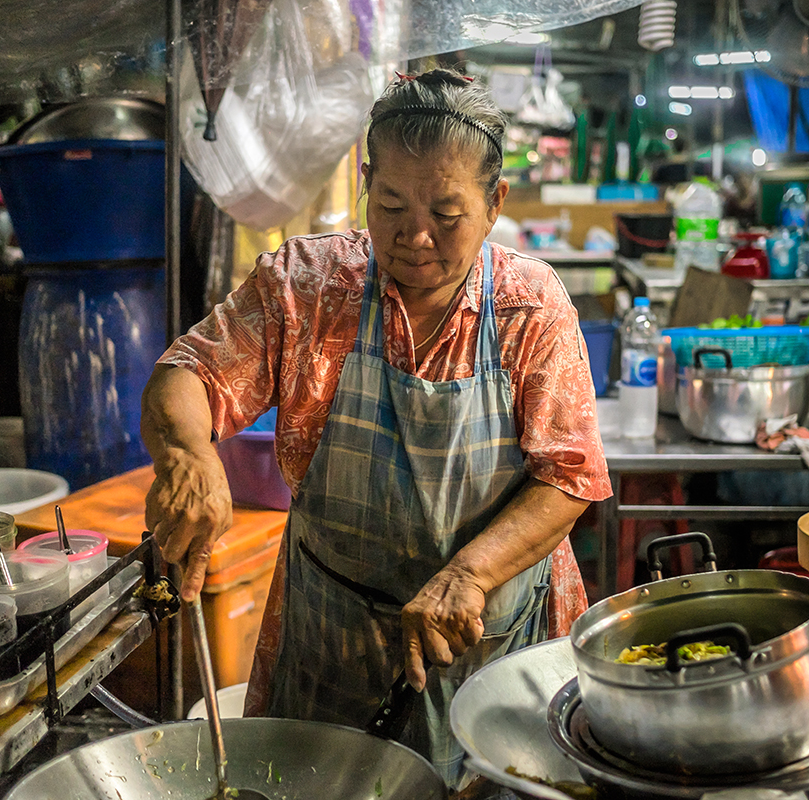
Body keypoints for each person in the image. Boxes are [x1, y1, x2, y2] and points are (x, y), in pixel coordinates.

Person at [142, 68, 612, 791]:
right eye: (390, 202)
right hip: (333, 640)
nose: (414, 236)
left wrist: (468, 574)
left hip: (486, 643)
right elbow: (188, 373)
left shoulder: (531, 307)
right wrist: (188, 453)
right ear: (366, 181)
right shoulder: (307, 285)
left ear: (495, 204)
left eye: (446, 213)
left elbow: (571, 476)